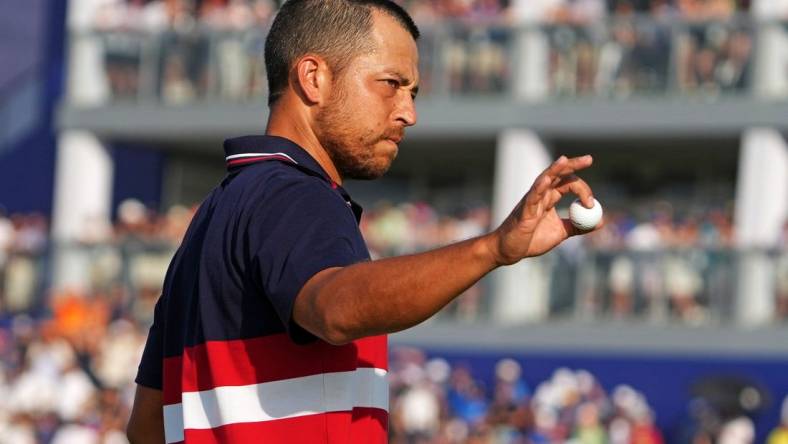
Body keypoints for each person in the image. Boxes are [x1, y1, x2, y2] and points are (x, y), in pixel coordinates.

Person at [125, 1, 598, 443]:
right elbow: (336, 310)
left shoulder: (211, 218)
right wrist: (493, 249)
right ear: (314, 77)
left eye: (412, 93)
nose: (408, 113)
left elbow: (147, 425)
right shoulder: (297, 193)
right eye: (390, 84)